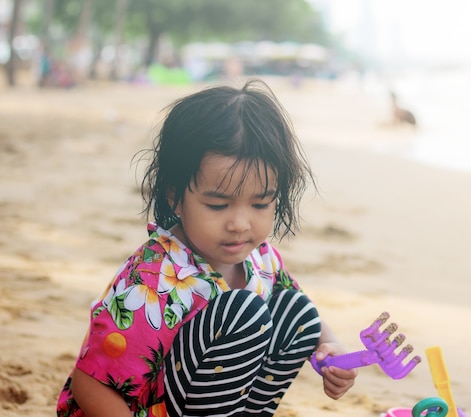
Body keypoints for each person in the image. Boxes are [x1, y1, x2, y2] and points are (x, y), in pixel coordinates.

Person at [56, 79, 357, 417]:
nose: (240, 224)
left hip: (205, 403)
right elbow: (89, 383)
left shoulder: (259, 257)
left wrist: (330, 350)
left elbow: (302, 317)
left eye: (260, 205)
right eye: (217, 205)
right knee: (242, 312)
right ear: (175, 197)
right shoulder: (155, 281)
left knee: (295, 309)